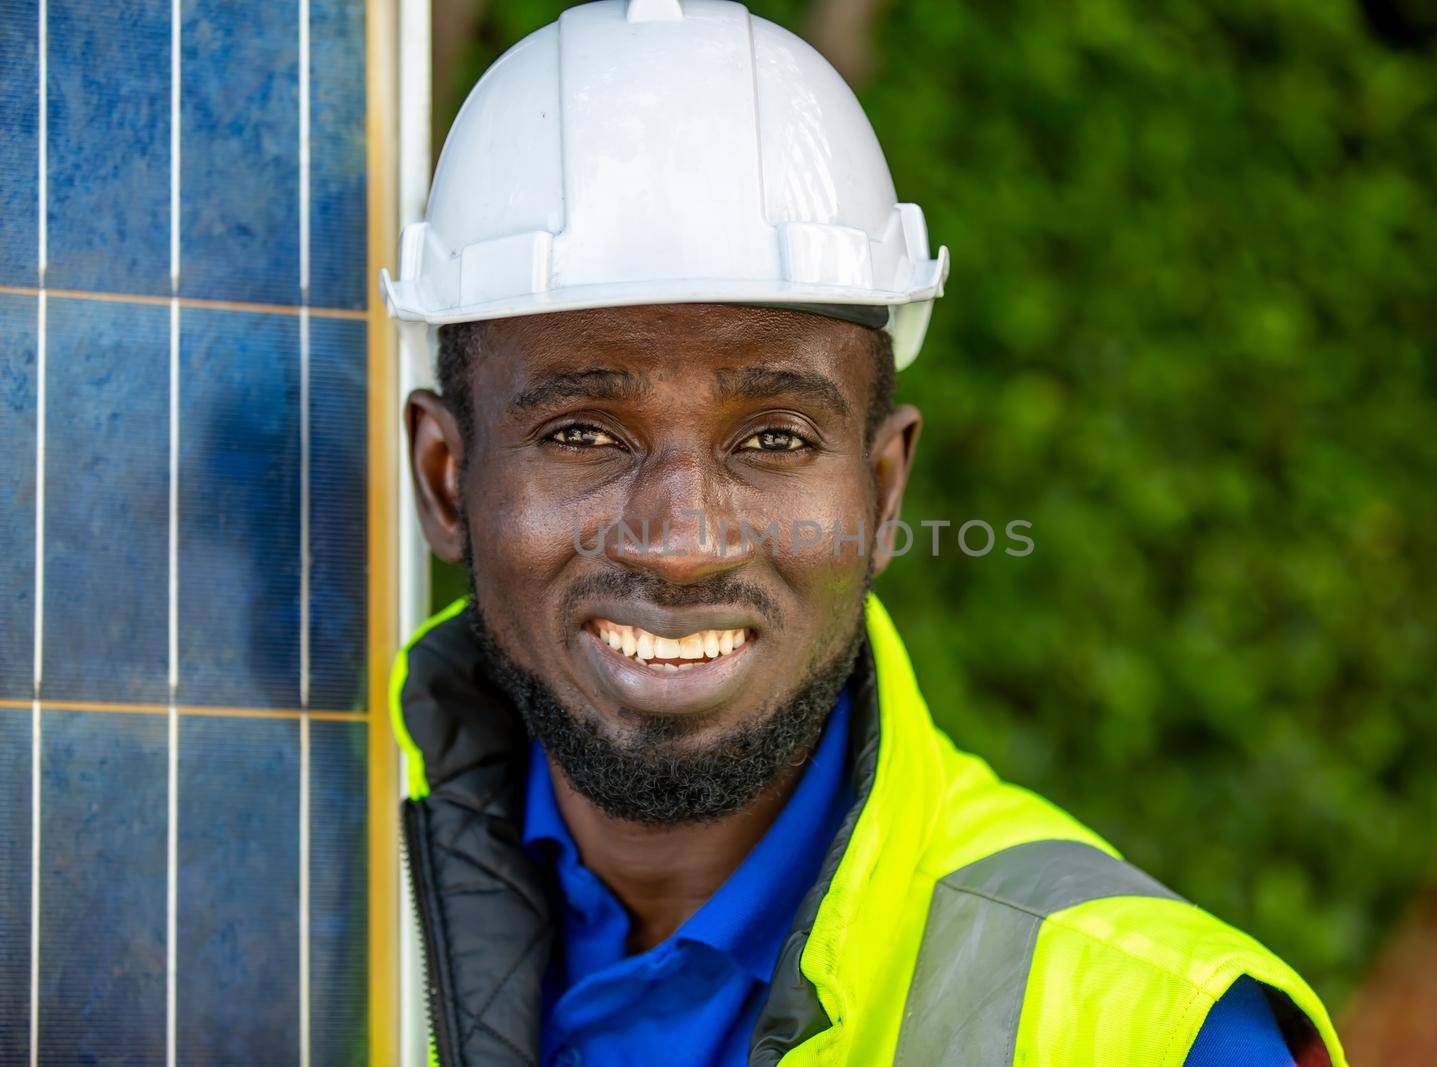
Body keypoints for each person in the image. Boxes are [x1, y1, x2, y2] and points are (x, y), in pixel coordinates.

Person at [384, 2, 1347, 1064]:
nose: (682, 540)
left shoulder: (1160, 1035)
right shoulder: (301, 911)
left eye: (774, 437)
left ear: (883, 492)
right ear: (446, 478)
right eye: (580, 431)